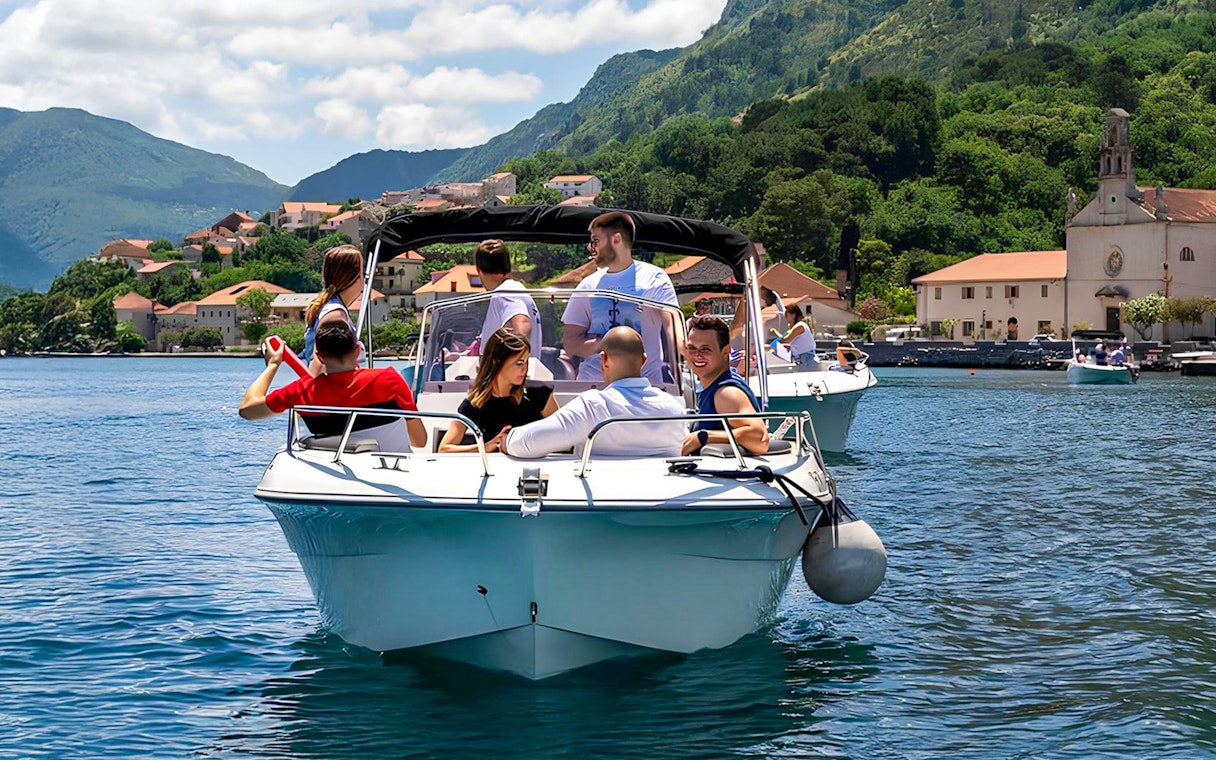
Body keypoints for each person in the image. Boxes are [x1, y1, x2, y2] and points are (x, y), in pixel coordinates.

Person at [240, 321, 427, 452]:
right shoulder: (389, 379)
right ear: (357, 350)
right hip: (394, 469)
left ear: (319, 356)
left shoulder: (302, 391)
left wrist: (273, 364)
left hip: (337, 474)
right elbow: (420, 441)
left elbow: (247, 410)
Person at [504, 326, 685, 458]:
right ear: (643, 361)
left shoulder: (593, 406)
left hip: (604, 502)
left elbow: (525, 444)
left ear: (604, 359)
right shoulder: (674, 409)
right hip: (659, 503)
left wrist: (505, 441)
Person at [562, 211, 678, 384]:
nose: (590, 247)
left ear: (616, 239)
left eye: (595, 241)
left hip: (645, 387)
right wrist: (607, 344)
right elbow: (570, 342)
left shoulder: (654, 278)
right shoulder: (587, 285)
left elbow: (673, 329)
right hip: (592, 386)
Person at [438, 329, 558, 453]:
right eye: (519, 363)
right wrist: (486, 447)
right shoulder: (475, 404)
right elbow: (444, 449)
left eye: (527, 361)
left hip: (539, 467)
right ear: (497, 362)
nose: (525, 368)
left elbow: (564, 435)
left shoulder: (540, 394)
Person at [682, 316, 769, 456]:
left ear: (726, 351)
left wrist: (703, 437)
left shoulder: (726, 393)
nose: (697, 356)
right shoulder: (720, 383)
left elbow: (760, 438)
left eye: (705, 350)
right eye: (692, 348)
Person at [303, 244, 366, 376]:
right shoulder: (335, 315)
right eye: (362, 273)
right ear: (353, 278)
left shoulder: (330, 307)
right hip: (330, 394)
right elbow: (320, 362)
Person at [473, 239, 543, 354]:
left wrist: (506, 367)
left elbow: (522, 328)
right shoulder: (515, 290)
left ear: (478, 269)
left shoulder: (505, 292)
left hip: (510, 372)